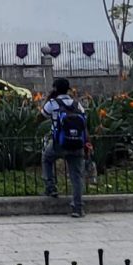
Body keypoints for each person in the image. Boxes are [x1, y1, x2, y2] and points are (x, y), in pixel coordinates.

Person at [41, 77, 89, 218]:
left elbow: (40, 117)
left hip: (59, 144)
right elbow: (84, 125)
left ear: (55, 89)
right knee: (76, 176)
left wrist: (49, 98)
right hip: (77, 144)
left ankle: (51, 187)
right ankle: (78, 208)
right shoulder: (77, 104)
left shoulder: (52, 103)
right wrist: (87, 142)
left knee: (46, 158)